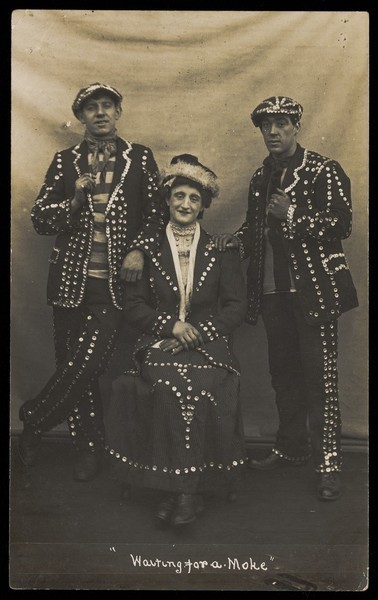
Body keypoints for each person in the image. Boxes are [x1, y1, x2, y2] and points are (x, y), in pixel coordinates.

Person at [18, 83, 167, 482]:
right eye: (91, 108)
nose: (100, 113)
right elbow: (40, 218)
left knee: (87, 363)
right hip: (69, 281)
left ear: (118, 112)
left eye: (107, 106)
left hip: (114, 284)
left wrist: (139, 251)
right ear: (81, 117)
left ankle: (32, 420)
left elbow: (157, 216)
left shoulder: (140, 158)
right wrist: (75, 203)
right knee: (73, 366)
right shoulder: (65, 161)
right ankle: (88, 448)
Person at [213, 96, 358, 501]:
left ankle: (328, 462)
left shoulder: (324, 169)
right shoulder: (262, 176)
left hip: (315, 292)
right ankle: (292, 447)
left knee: (320, 379)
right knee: (284, 375)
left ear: (296, 126)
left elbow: (341, 224)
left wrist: (292, 215)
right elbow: (255, 229)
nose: (273, 132)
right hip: (273, 292)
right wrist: (232, 244)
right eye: (266, 126)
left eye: (281, 124)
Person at [105, 154, 247, 527]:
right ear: (167, 201)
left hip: (208, 346)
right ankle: (182, 491)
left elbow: (235, 307)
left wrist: (193, 335)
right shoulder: (145, 249)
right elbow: (132, 306)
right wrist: (171, 327)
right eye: (179, 196)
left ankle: (180, 493)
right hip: (157, 342)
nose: (186, 204)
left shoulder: (221, 249)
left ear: (203, 206)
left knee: (201, 384)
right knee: (169, 385)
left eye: (194, 198)